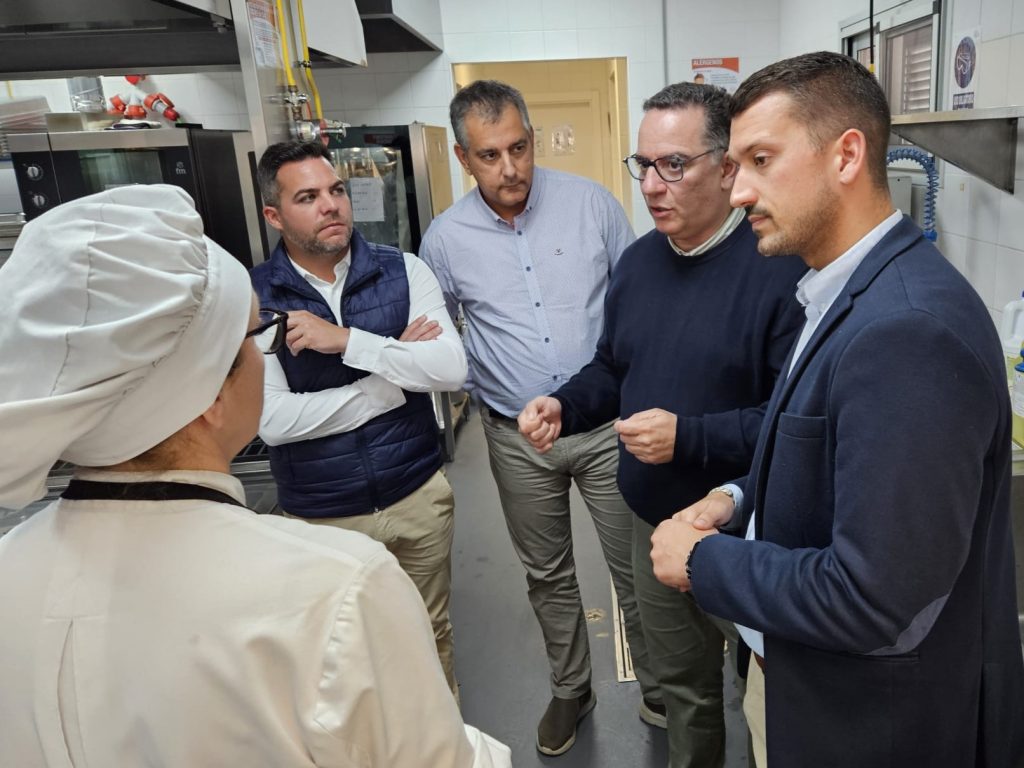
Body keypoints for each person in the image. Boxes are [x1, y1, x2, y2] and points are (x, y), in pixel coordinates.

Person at [0, 185, 511, 767]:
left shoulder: (10, 570)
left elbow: (447, 367)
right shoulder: (338, 591)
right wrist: (393, 375)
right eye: (253, 337)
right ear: (211, 395)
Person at [650, 51, 1024, 768]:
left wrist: (705, 563)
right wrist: (735, 499)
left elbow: (871, 598)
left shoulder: (908, 331)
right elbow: (818, 456)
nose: (739, 193)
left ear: (847, 155)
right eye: (736, 166)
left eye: (762, 159)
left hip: (869, 728)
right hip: (797, 683)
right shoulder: (841, 288)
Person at [518, 82, 805, 768]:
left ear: (728, 166)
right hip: (656, 523)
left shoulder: (779, 268)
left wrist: (691, 437)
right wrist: (567, 403)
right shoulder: (640, 263)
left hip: (757, 529)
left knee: (778, 689)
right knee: (686, 689)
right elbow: (614, 366)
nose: (651, 185)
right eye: (642, 165)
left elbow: (795, 423)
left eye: (673, 165)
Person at [419, 79, 657, 756]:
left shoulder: (592, 206)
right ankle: (571, 687)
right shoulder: (445, 240)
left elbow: (641, 298)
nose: (510, 168)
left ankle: (662, 685)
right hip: (514, 437)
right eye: (490, 155)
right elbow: (445, 337)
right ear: (465, 160)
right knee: (547, 573)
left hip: (608, 429)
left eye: (519, 148)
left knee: (633, 563)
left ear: (533, 136)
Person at [250, 140, 467, 697]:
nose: (331, 206)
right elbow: (273, 420)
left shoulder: (403, 270)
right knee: (343, 658)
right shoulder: (257, 298)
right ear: (274, 215)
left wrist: (345, 340)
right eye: (308, 197)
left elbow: (447, 367)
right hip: (324, 519)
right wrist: (389, 377)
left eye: (336, 190)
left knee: (430, 635)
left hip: (416, 496)